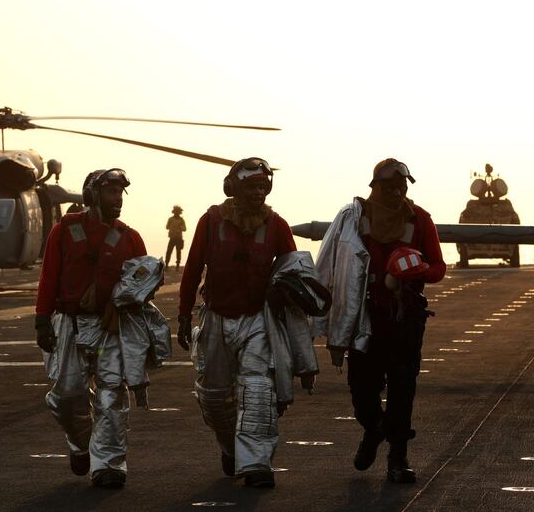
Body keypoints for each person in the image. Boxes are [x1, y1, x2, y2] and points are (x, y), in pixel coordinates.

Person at [313, 158, 445, 484]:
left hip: (405, 321)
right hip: (364, 320)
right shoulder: (355, 220)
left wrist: (415, 272)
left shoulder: (420, 220)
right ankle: (374, 430)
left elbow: (439, 267)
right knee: (362, 392)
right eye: (390, 187)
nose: (398, 192)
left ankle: (397, 458)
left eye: (402, 186)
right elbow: (331, 262)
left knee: (403, 390)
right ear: (376, 187)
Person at [177, 157, 297, 488]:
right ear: (234, 188)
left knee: (258, 391)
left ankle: (257, 463)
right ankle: (229, 448)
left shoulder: (276, 225)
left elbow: (295, 273)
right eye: (251, 186)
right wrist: (184, 313)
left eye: (263, 186)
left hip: (258, 319)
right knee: (215, 397)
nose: (258, 193)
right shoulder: (212, 220)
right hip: (215, 316)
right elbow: (191, 269)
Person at [35, 168, 147, 489]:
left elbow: (143, 281)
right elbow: (48, 277)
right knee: (67, 396)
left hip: (110, 327)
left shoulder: (130, 238)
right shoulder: (64, 232)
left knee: (111, 396)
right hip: (68, 324)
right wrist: (42, 319)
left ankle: (109, 464)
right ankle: (80, 441)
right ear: (93, 195)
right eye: (111, 193)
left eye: (120, 194)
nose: (117, 200)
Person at [165, 205, 187, 270]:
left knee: (178, 252)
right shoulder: (170, 219)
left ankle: (177, 266)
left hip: (179, 238)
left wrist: (180, 227)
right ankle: (166, 265)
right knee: (169, 251)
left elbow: (185, 229)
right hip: (172, 238)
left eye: (178, 211)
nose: (177, 213)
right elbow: (167, 227)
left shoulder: (181, 220)